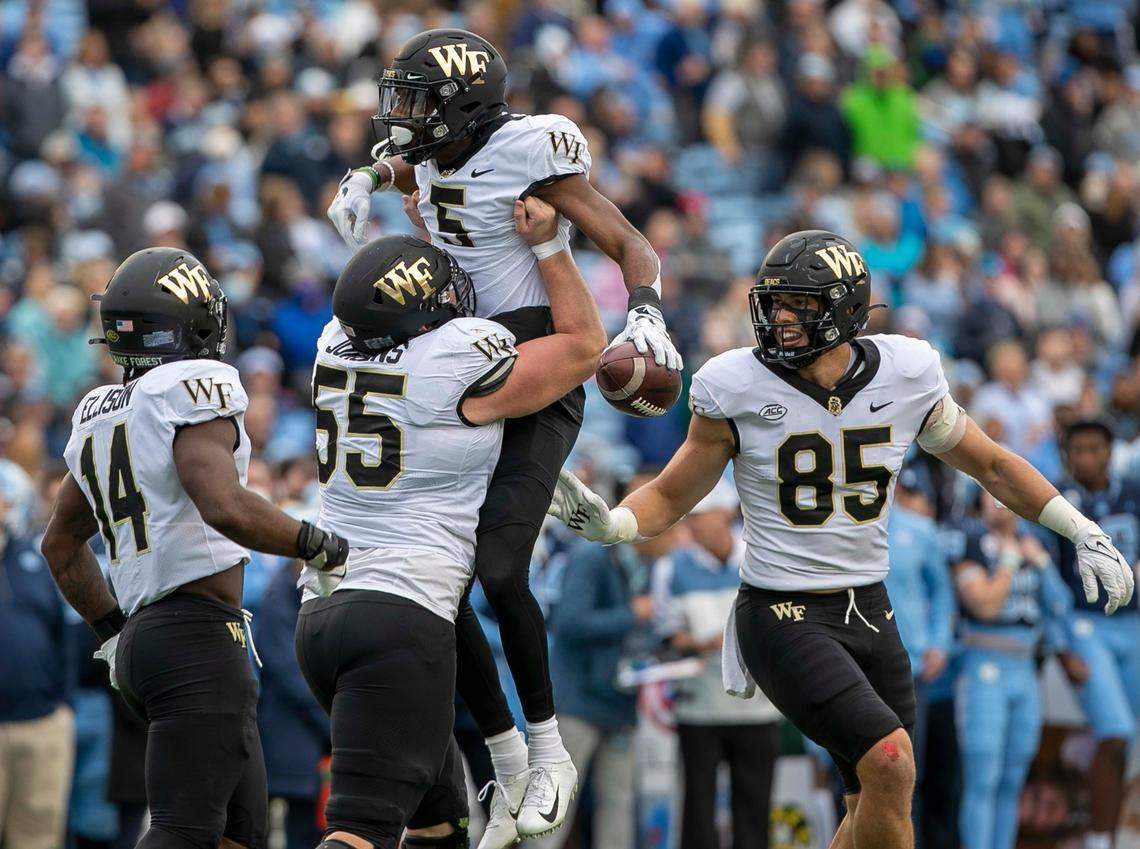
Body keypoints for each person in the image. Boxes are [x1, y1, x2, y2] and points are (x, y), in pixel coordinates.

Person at [547, 229, 1135, 849]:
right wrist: (615, 524)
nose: (778, 318)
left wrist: (1079, 528)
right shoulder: (736, 383)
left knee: (873, 801)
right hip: (782, 611)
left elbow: (989, 464)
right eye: (773, 303)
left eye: (796, 305)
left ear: (844, 308)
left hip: (870, 608)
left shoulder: (906, 372)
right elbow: (671, 493)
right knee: (890, 760)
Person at [327, 30, 683, 846]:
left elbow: (630, 241)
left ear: (463, 104)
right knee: (438, 577)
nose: (401, 114)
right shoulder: (444, 148)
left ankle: (550, 753)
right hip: (464, 362)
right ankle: (505, 753)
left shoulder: (531, 147)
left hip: (535, 365)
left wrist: (649, 311)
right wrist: (370, 174)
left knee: (496, 565)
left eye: (418, 100)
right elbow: (417, 164)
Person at [294, 196, 605, 849]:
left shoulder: (330, 348)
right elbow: (582, 348)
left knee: (440, 826)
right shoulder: (458, 354)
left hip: (321, 617)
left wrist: (428, 226)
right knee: (360, 830)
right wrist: (549, 246)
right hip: (401, 618)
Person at [40, 247, 350, 849]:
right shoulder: (191, 386)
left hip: (161, 638)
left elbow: (60, 546)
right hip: (195, 637)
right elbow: (224, 504)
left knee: (241, 833)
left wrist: (113, 632)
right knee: (184, 831)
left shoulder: (99, 412)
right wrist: (321, 545)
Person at [534, 473, 670, 849]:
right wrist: (632, 613)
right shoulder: (592, 555)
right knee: (553, 809)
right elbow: (569, 622)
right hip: (578, 703)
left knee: (619, 805)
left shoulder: (649, 567)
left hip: (619, 703)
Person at [651, 481, 783, 849]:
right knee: (698, 810)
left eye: (700, 516)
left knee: (755, 810)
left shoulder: (761, 554)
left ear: (725, 514)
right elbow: (666, 637)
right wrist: (699, 643)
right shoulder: (670, 568)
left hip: (758, 710)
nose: (693, 525)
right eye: (689, 518)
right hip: (699, 709)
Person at [952, 492, 1080, 849]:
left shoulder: (1035, 541)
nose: (1001, 504)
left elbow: (1060, 605)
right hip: (984, 663)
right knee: (984, 775)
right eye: (991, 497)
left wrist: (1041, 565)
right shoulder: (971, 539)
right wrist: (1009, 562)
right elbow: (985, 606)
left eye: (1005, 496)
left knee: (1013, 777)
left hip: (1024, 668)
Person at [1050, 419, 1140, 849]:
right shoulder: (1058, 500)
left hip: (1133, 620)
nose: (1086, 457)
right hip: (1086, 623)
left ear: (1109, 451)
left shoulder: (1133, 491)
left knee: (1131, 739)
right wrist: (1062, 645)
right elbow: (1048, 576)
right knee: (1115, 731)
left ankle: (1116, 832)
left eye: (1094, 448)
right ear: (1067, 455)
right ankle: (1099, 839)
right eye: (1077, 449)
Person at [0, 493, 76, 849]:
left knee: (38, 839)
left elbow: (64, 636)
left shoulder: (34, 555)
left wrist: (64, 705)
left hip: (42, 722)